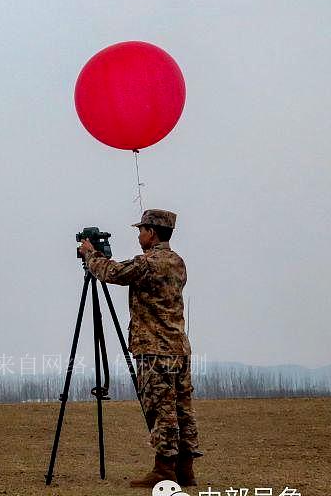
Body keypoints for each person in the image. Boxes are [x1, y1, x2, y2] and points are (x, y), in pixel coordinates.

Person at [78, 209, 202, 488]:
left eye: (141, 230)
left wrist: (90, 253)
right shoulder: (177, 261)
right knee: (183, 407)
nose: (139, 235)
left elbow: (112, 272)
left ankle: (165, 469)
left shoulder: (149, 263)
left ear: (153, 232)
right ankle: (186, 468)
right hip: (178, 347)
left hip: (154, 348)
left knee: (162, 408)